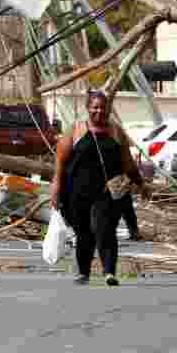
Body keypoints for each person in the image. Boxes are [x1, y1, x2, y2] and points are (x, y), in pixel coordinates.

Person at [51, 90, 146, 286]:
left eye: (103, 107)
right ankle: (83, 272)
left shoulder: (116, 132)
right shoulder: (76, 130)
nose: (99, 111)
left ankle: (109, 271)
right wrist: (56, 187)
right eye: (95, 107)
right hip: (76, 192)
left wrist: (140, 183)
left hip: (106, 192)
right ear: (88, 108)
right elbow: (60, 160)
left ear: (109, 109)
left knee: (104, 228)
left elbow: (128, 163)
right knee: (84, 231)